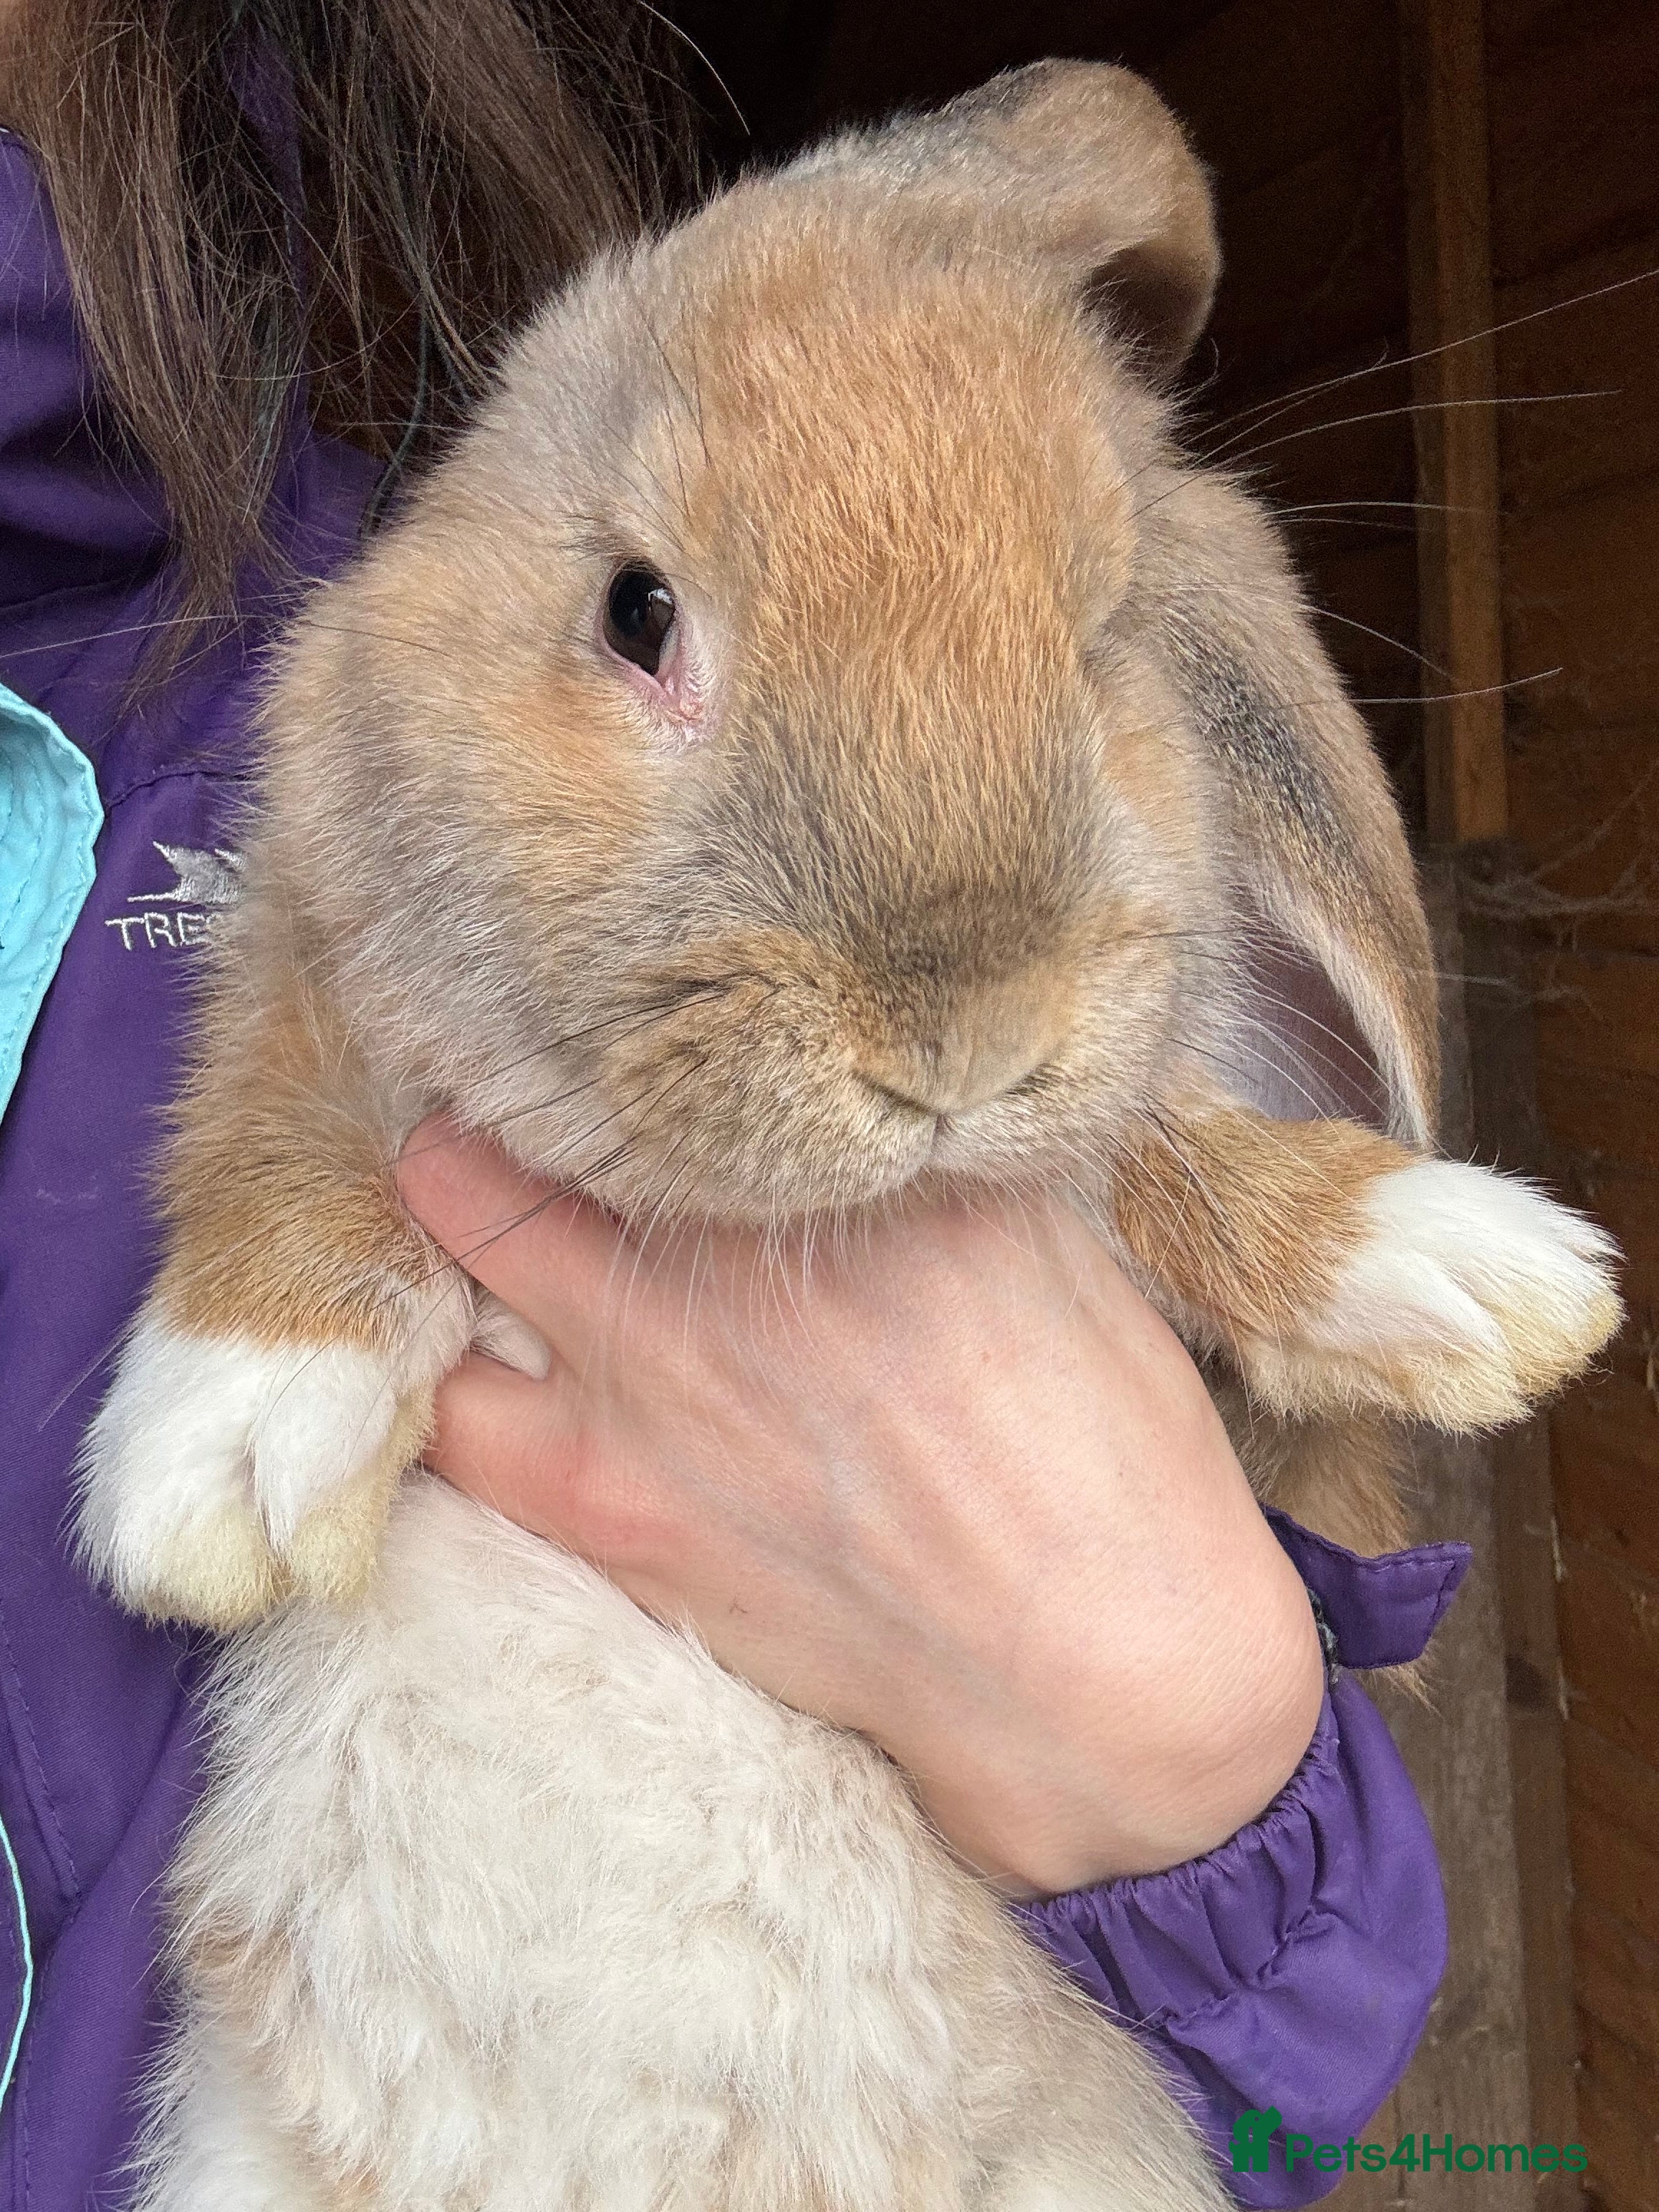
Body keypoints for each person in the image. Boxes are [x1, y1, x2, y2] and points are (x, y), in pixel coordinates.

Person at [0, 1, 1468, 2203]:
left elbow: (1241, 2099)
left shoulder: (309, 606)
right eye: (650, 627)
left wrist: (1199, 1768)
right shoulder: (400, 696)